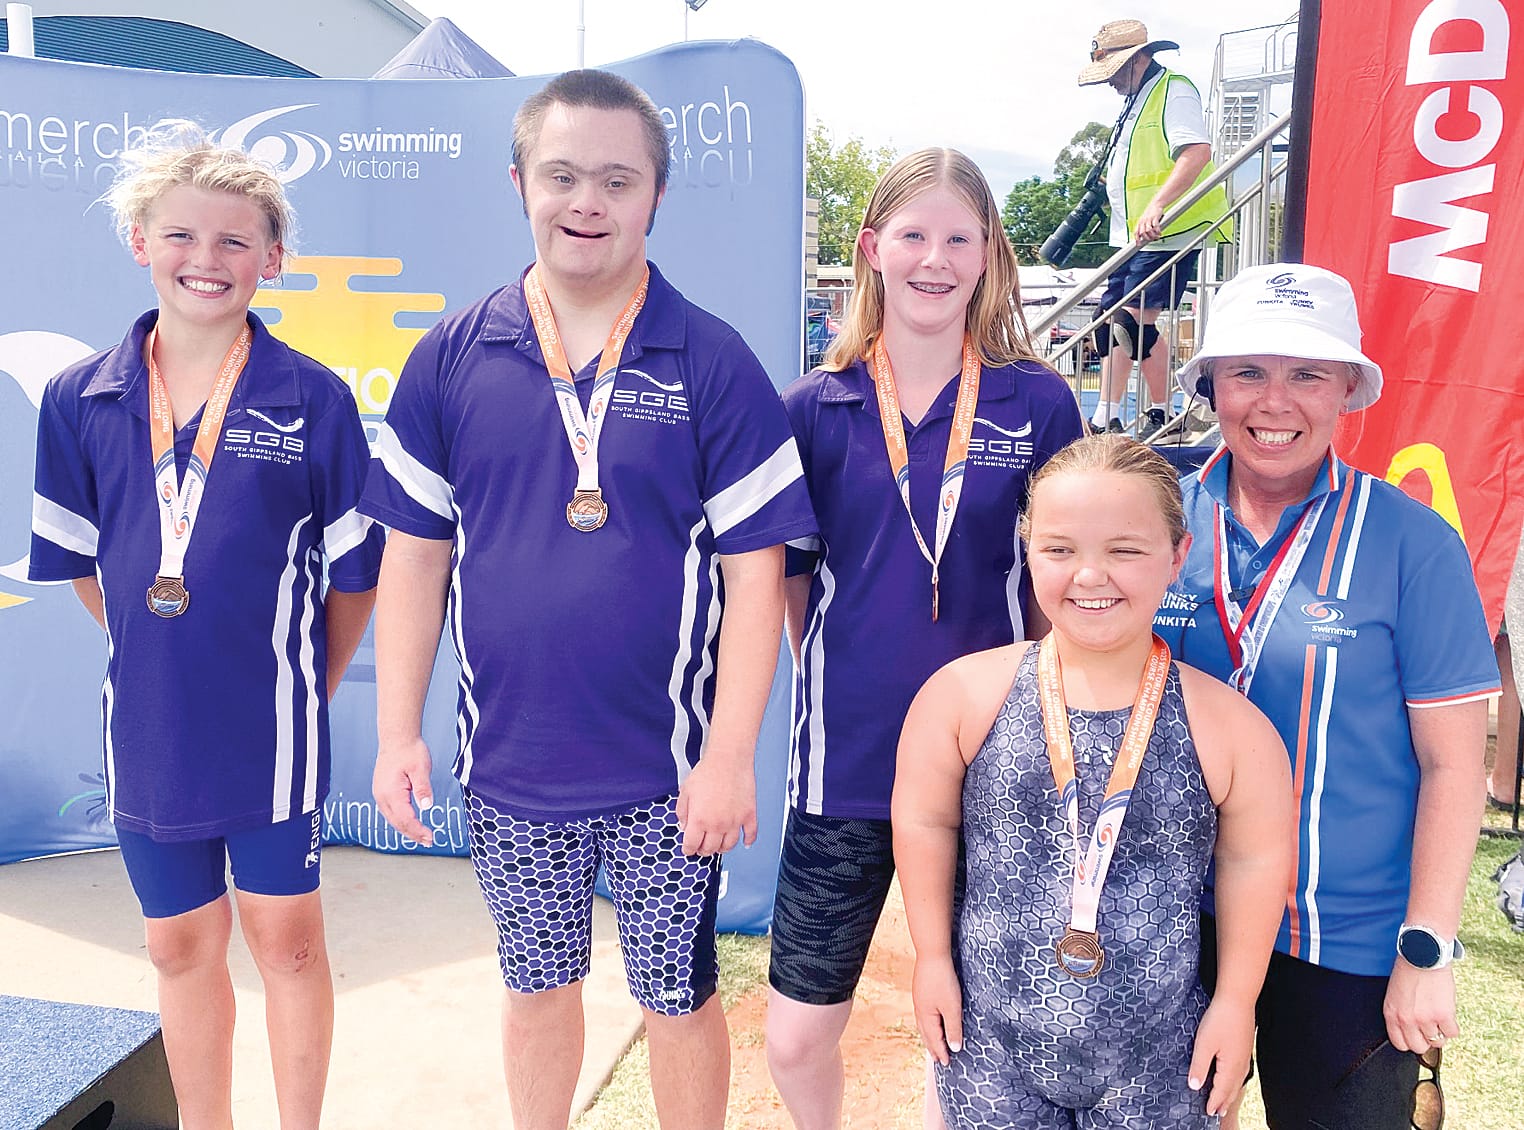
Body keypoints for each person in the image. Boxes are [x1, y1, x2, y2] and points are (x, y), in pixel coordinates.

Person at [358, 69, 816, 1130]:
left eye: (618, 179)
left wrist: (728, 755)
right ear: (519, 180)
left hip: (668, 776)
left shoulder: (713, 359)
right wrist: (395, 734)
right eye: (562, 174)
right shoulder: (452, 355)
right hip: (513, 766)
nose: (587, 201)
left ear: (657, 195)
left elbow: (759, 573)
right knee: (535, 984)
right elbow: (415, 557)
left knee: (677, 995)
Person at [28, 123, 382, 1130]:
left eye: (236, 242)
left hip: (272, 730)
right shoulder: (80, 397)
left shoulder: (313, 398)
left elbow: (355, 576)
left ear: (274, 259)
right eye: (182, 235)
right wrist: (160, 644)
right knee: (179, 946)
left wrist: (306, 678)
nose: (208, 260)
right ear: (141, 241)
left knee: (289, 942)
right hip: (149, 729)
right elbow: (88, 571)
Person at [764, 147, 1085, 1130]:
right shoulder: (814, 407)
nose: (934, 258)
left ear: (988, 254)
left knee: (981, 1031)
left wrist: (1043, 712)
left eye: (959, 237)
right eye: (913, 235)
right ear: (872, 250)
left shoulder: (1039, 402)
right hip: (846, 768)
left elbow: (1063, 581)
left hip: (991, 769)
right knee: (795, 1036)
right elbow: (790, 585)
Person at [1159, 264, 1499, 1128]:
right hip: (1174, 920)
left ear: (1349, 386)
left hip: (1345, 944)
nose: (1275, 403)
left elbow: (1454, 765)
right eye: (1248, 372)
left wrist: (1427, 945)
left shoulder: (1412, 543)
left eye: (1306, 374)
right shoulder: (1155, 519)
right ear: (1210, 384)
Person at [894, 434, 1294, 1128]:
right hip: (990, 1046)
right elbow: (926, 820)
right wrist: (931, 956)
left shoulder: (1231, 728)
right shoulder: (960, 697)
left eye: (1124, 550)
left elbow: (1253, 859)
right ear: (1028, 551)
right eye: (1060, 549)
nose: (1089, 575)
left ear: (1177, 555)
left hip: (1161, 1061)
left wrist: (1235, 1002)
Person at [1076, 19, 1232, 437]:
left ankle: (1165, 414)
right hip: (1134, 236)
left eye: (1113, 70)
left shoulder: (1173, 88)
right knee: (1110, 323)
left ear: (1139, 59)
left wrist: (1159, 205)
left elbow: (1196, 151)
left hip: (1169, 231)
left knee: (1132, 323)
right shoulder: (1136, 100)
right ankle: (1106, 413)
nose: (1109, 82)